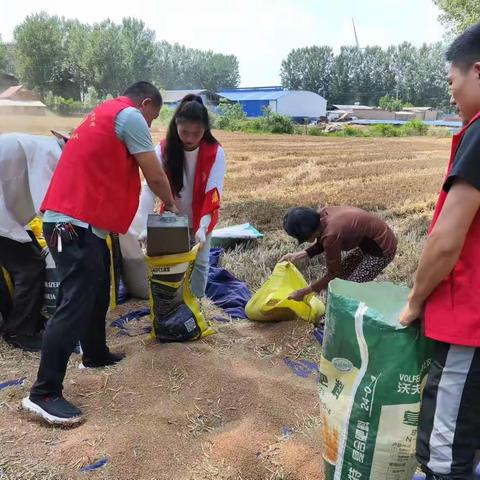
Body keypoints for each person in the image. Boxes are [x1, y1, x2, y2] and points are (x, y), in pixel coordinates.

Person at [22, 81, 177, 426]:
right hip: (72, 225)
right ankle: (44, 393)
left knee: (95, 290)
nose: (148, 126)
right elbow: (154, 174)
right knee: (75, 302)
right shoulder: (129, 116)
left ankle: (94, 354)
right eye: (152, 118)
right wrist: (174, 205)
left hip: (82, 224)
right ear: (146, 103)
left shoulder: (102, 114)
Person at [399, 23, 480, 480]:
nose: (451, 93)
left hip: (468, 321)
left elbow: (447, 240)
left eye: (453, 81)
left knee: (444, 457)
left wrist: (413, 301)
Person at [141, 94, 226, 298]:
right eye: (184, 132)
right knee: (170, 262)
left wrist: (203, 228)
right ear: (175, 126)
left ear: (205, 130)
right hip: (172, 217)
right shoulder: (163, 150)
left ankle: (195, 303)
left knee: (201, 263)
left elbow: (212, 194)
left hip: (202, 218)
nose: (189, 138)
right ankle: (169, 303)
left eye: (196, 134)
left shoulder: (215, 153)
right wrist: (145, 227)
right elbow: (150, 187)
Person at [0, 131, 68, 352]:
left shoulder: (41, 144)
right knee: (31, 266)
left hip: (7, 210)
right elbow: (48, 204)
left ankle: (17, 318)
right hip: (4, 214)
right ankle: (19, 331)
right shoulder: (51, 153)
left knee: (20, 261)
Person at [281, 206, 397, 300]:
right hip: (367, 243)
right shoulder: (323, 216)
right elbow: (323, 240)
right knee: (339, 282)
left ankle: (352, 317)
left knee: (348, 291)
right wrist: (299, 255)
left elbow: (332, 273)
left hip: (382, 249)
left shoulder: (331, 235)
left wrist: (305, 292)